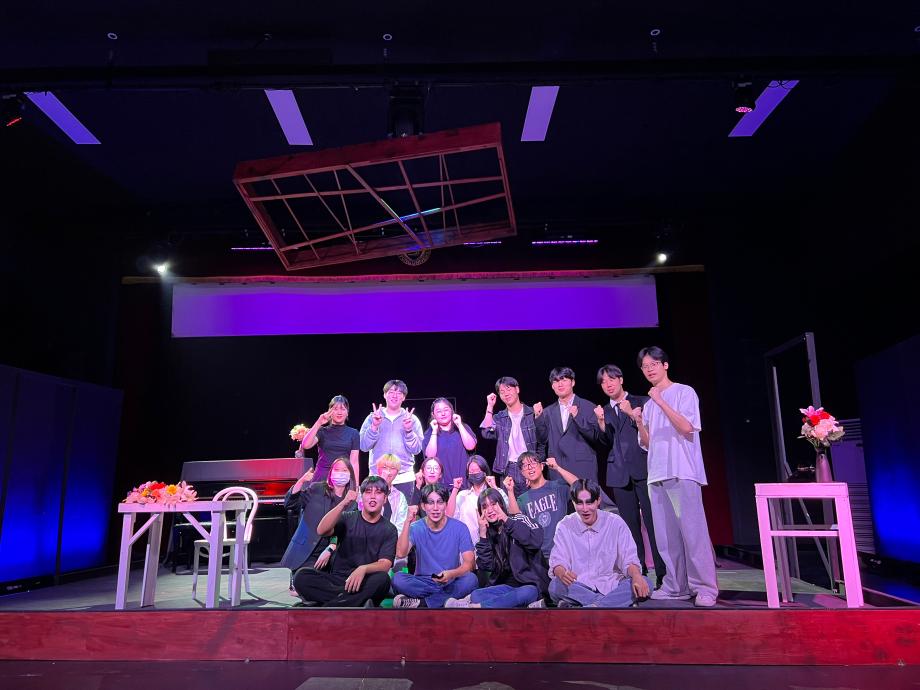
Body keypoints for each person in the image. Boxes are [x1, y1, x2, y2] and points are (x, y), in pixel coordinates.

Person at [623, 346, 719, 608]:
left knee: (693, 533)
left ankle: (705, 587)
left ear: (665, 365)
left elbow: (687, 427)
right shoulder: (649, 404)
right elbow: (647, 443)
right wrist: (638, 421)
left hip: (682, 470)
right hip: (657, 473)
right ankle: (676, 586)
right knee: (666, 537)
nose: (649, 369)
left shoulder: (683, 392)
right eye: (644, 366)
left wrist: (661, 401)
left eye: (653, 364)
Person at [595, 364, 666, 587]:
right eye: (603, 382)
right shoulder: (604, 411)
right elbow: (605, 443)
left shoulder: (641, 402)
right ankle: (637, 575)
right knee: (629, 528)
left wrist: (630, 413)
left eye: (611, 379)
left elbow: (650, 434)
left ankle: (663, 575)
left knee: (654, 524)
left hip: (644, 469)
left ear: (621, 379)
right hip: (618, 473)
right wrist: (601, 423)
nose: (608, 384)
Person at [292, 475, 397, 607]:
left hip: (364, 581)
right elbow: (321, 530)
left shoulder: (389, 529)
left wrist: (363, 569)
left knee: (382, 580)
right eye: (368, 492)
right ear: (361, 496)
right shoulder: (347, 518)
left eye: (378, 492)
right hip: (337, 581)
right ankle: (350, 602)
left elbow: (385, 564)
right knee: (301, 576)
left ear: (385, 498)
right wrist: (343, 504)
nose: (373, 496)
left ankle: (328, 606)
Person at [549, 478, 652, 607]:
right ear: (573, 502)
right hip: (579, 586)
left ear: (598, 500)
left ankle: (591, 607)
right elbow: (558, 560)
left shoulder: (615, 522)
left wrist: (637, 576)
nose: (585, 509)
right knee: (555, 586)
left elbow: (628, 559)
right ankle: (609, 604)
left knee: (646, 582)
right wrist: (561, 572)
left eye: (589, 502)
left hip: (612, 585)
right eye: (580, 503)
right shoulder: (565, 525)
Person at [445, 489, 548, 608]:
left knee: (528, 592)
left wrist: (506, 520)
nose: (489, 510)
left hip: (532, 585)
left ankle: (479, 607)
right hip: (507, 588)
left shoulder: (518, 519)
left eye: (493, 504)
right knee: (476, 595)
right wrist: (482, 534)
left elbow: (535, 541)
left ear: (501, 504)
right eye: (484, 507)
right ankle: (509, 604)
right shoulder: (489, 533)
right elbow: (487, 566)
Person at [391, 484, 479, 608]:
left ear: (446, 504)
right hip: (423, 582)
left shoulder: (460, 528)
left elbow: (469, 564)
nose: (435, 508)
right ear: (423, 506)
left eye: (440, 502)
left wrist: (451, 574)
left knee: (471, 579)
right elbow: (400, 553)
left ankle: (421, 603)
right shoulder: (415, 527)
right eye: (431, 503)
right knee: (398, 579)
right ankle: (444, 600)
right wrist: (407, 522)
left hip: (450, 581)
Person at [280, 458, 356, 595]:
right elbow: (290, 504)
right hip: (307, 548)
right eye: (337, 470)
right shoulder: (317, 489)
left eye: (344, 470)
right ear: (331, 472)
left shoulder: (351, 502)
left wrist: (330, 548)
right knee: (305, 582)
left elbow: (345, 531)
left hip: (331, 552)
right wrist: (301, 481)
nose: (340, 473)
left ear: (350, 475)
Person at [534, 367, 605, 483]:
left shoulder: (588, 406)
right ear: (552, 386)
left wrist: (577, 417)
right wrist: (538, 417)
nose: (560, 384)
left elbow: (595, 437)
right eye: (556, 381)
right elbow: (542, 440)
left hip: (583, 470)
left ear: (573, 382)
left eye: (564, 379)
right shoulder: (547, 412)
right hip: (557, 471)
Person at [507, 452, 579, 560]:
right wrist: (510, 491)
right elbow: (515, 520)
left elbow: (579, 486)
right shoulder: (523, 499)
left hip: (564, 550)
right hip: (539, 556)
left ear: (541, 466)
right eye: (525, 465)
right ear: (522, 473)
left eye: (533, 463)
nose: (530, 467)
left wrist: (558, 468)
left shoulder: (558, 487)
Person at [359, 380, 424, 500]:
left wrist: (409, 431)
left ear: (404, 397)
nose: (395, 396)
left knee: (403, 511)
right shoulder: (372, 417)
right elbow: (363, 446)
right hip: (377, 476)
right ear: (384, 395)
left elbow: (417, 450)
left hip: (404, 477)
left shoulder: (412, 419)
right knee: (377, 511)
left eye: (399, 393)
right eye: (391, 392)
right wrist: (374, 426)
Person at [479, 376, 542, 495]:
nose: (506, 394)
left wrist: (535, 468)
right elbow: (486, 433)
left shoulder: (531, 413)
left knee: (530, 503)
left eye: (508, 389)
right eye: (502, 392)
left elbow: (542, 442)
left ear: (517, 389)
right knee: (508, 504)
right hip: (508, 469)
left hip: (528, 465)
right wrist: (490, 406)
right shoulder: (500, 418)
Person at [446, 455, 508, 546]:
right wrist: (455, 489)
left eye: (478, 471)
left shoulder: (496, 492)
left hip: (494, 544)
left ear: (484, 472)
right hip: (468, 545)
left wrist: (494, 487)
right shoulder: (462, 495)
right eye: (471, 472)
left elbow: (507, 510)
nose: (475, 474)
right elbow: (448, 516)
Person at [298, 395, 360, 482]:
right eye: (335, 409)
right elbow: (306, 445)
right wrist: (319, 422)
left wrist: (355, 485)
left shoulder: (353, 433)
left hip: (342, 478)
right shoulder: (322, 431)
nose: (339, 412)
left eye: (343, 409)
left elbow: (354, 462)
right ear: (329, 411)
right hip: (321, 478)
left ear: (347, 412)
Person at [422, 397, 477, 489]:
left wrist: (459, 424)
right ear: (433, 415)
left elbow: (470, 446)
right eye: (439, 411)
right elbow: (430, 456)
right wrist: (434, 430)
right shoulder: (430, 433)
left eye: (446, 410)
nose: (443, 414)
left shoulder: (462, 428)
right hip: (441, 487)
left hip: (465, 484)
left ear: (452, 411)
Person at [374, 454, 409, 534]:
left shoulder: (400, 497)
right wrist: (382, 485)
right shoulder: (368, 491)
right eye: (384, 467)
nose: (388, 472)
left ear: (397, 472)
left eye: (393, 468)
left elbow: (401, 525)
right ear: (378, 469)